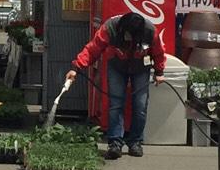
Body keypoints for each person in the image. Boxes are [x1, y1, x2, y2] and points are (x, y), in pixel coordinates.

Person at [65, 12, 166, 160]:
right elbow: (93, 49)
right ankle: (115, 143)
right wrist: (76, 68)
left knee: (140, 105)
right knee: (116, 104)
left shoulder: (150, 31)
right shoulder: (110, 27)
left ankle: (135, 142)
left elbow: (158, 52)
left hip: (141, 68)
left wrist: (159, 71)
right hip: (117, 66)